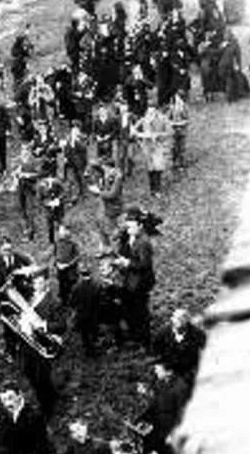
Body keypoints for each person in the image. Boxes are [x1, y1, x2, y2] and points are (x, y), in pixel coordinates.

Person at [19, 270, 65, 419]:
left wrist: (43, 325)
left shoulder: (54, 301)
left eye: (40, 282)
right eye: (34, 283)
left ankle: (47, 408)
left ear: (46, 283)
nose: (36, 286)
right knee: (30, 373)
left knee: (40, 377)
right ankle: (51, 395)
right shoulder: (30, 298)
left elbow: (61, 325)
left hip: (43, 344)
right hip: (28, 343)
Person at [137, 363, 192, 454]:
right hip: (160, 426)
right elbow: (155, 406)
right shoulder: (160, 384)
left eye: (157, 369)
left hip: (172, 426)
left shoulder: (179, 386)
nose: (155, 372)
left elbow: (182, 412)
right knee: (162, 451)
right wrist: (142, 418)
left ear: (168, 370)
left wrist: (173, 432)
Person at [115, 210, 155, 345]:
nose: (128, 230)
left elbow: (145, 264)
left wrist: (127, 263)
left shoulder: (144, 243)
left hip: (141, 282)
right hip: (130, 279)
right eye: (128, 227)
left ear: (140, 226)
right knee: (130, 306)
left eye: (131, 227)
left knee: (140, 311)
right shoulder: (130, 236)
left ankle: (144, 339)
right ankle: (134, 332)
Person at [151, 308, 206, 391]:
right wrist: (159, 368)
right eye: (176, 318)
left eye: (182, 318)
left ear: (187, 321)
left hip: (189, 370)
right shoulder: (162, 333)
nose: (178, 321)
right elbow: (155, 353)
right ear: (172, 319)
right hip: (167, 369)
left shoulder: (196, 333)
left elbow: (207, 350)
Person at [132, 106, 172, 196]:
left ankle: (158, 189)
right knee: (150, 168)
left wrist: (158, 135)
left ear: (156, 113)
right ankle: (152, 189)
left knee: (158, 168)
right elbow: (133, 130)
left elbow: (169, 132)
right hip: (147, 147)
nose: (150, 115)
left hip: (158, 146)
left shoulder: (162, 119)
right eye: (148, 113)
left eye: (152, 113)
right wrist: (139, 135)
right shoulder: (143, 120)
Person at [69, 261, 101, 357]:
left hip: (82, 314)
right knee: (93, 331)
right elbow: (99, 300)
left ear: (80, 274)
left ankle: (88, 350)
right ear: (90, 273)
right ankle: (95, 349)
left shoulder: (76, 287)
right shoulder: (96, 285)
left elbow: (72, 302)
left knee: (85, 334)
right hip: (93, 313)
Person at [88, 160, 123, 247]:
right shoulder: (104, 176)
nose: (104, 170)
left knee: (112, 230)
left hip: (113, 207)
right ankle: (106, 247)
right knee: (101, 227)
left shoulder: (117, 178)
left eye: (105, 168)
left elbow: (112, 194)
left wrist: (98, 192)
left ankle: (116, 247)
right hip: (103, 207)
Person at [15, 142, 42, 241]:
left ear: (30, 151)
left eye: (26, 149)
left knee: (30, 209)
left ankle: (31, 232)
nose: (24, 152)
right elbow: (16, 172)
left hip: (30, 187)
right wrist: (17, 173)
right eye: (22, 149)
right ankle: (25, 229)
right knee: (22, 209)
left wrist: (27, 175)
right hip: (21, 186)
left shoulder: (34, 161)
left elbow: (39, 174)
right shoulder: (20, 160)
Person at [53, 224, 81, 304]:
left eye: (62, 231)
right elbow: (55, 255)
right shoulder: (57, 243)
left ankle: (71, 303)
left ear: (66, 232)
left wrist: (68, 264)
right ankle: (63, 303)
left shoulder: (73, 244)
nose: (60, 233)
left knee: (70, 288)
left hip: (70, 271)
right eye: (59, 231)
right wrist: (57, 263)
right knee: (62, 287)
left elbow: (77, 257)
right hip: (60, 270)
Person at [62, 120, 88, 203]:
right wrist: (66, 157)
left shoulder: (81, 140)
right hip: (71, 161)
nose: (74, 132)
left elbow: (83, 149)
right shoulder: (70, 140)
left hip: (79, 162)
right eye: (73, 130)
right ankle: (72, 195)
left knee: (80, 177)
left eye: (76, 130)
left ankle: (83, 193)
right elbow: (67, 149)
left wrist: (76, 141)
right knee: (72, 178)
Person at [36, 172, 65, 245]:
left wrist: (59, 199)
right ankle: (51, 240)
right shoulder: (41, 186)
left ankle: (62, 238)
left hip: (58, 206)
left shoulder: (57, 183)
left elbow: (63, 192)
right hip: (48, 207)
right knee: (50, 223)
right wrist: (45, 203)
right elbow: (39, 198)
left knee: (60, 221)